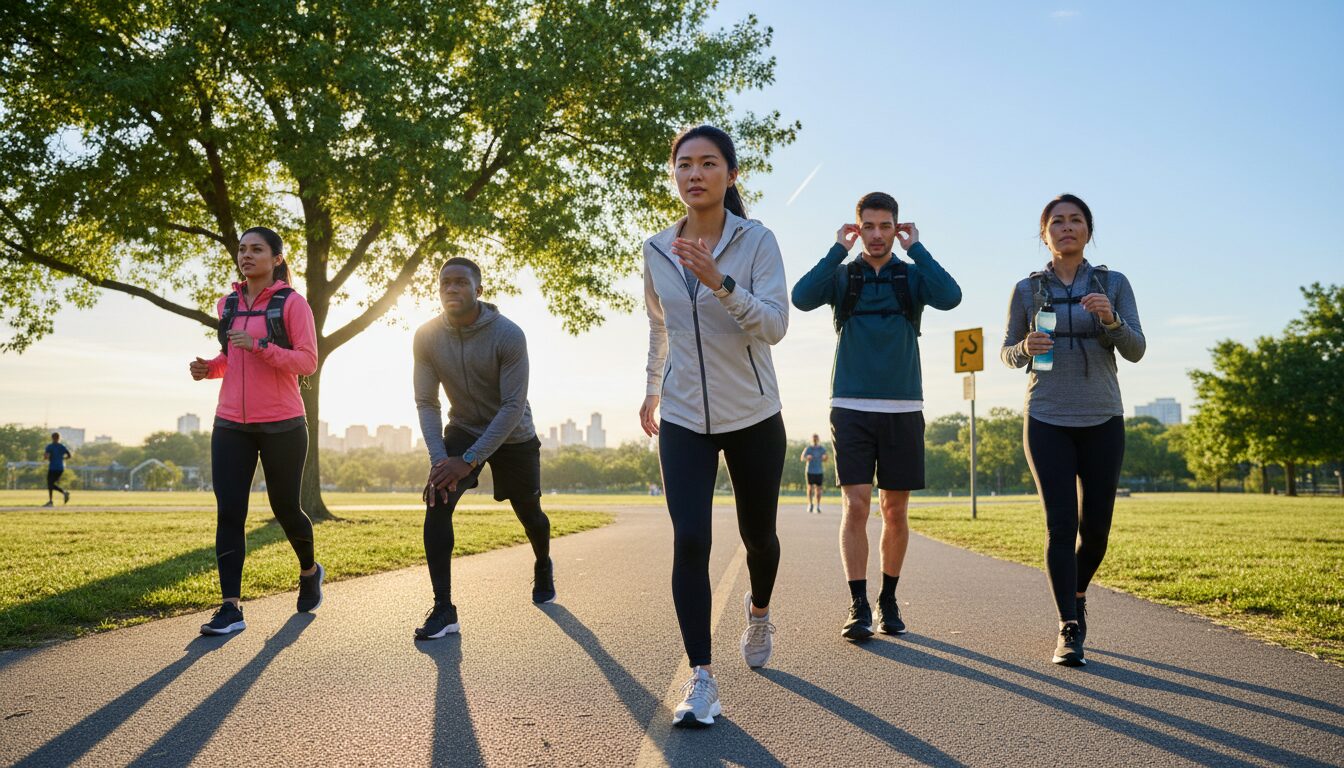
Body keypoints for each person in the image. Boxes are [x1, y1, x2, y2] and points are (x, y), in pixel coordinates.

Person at [640, 125, 789, 727]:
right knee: (690, 540)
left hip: (752, 413)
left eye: (707, 163)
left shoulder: (757, 241)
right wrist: (652, 387)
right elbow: (659, 325)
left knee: (759, 537)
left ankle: (759, 612)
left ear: (731, 174)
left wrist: (720, 284)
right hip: (683, 415)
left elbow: (774, 325)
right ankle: (702, 676)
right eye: (684, 164)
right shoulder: (656, 248)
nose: (694, 174)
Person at [791, 192, 962, 641]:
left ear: (896, 228)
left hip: (903, 406)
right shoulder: (843, 277)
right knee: (856, 504)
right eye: (868, 226)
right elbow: (801, 297)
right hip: (850, 405)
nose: (877, 234)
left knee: (895, 510)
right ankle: (858, 603)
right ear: (858, 228)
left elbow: (951, 297)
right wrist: (837, 249)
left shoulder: (912, 276)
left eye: (886, 226)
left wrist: (917, 248)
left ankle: (888, 598)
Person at [1000, 193, 1145, 666]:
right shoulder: (1027, 289)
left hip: (1103, 417)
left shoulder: (1113, 283)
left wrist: (1111, 319)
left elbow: (1137, 349)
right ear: (1045, 234)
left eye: (1075, 220)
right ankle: (1068, 626)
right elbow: (1007, 353)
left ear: (1088, 230)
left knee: (1096, 530)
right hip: (1046, 417)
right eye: (1057, 221)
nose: (1066, 227)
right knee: (1060, 526)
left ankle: (1078, 593)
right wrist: (1024, 347)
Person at [189, 226, 323, 636]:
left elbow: (307, 362)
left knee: (286, 508)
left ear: (276, 259)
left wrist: (260, 347)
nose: (246, 256)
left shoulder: (293, 304)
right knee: (230, 511)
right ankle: (230, 608)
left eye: (256, 250)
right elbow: (231, 358)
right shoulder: (227, 303)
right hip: (231, 422)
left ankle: (309, 570)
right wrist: (209, 368)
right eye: (242, 249)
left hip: (282, 423)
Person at [413, 257, 554, 641]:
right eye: (445, 282)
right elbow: (426, 402)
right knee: (437, 500)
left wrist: (470, 460)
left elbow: (512, 406)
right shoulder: (426, 336)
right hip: (462, 428)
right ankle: (444, 608)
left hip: (513, 435)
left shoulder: (508, 334)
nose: (451, 288)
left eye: (461, 282)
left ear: (478, 289)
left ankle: (543, 563)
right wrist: (440, 460)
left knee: (530, 513)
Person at [801, 434, 829, 513]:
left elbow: (827, 458)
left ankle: (818, 506)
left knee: (818, 489)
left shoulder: (822, 449)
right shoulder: (808, 448)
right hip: (810, 471)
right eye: (814, 439)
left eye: (816, 439)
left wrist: (825, 457)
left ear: (818, 439)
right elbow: (802, 458)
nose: (815, 440)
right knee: (810, 488)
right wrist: (807, 457)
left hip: (819, 471)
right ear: (812, 440)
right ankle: (810, 504)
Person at [43, 432, 71, 507]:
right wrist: (62, 458)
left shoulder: (50, 446)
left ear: (52, 438)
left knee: (50, 484)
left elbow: (46, 456)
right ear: (59, 438)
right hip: (60, 467)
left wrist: (48, 457)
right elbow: (69, 455)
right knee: (51, 484)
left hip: (53, 467)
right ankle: (63, 493)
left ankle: (51, 501)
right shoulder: (62, 446)